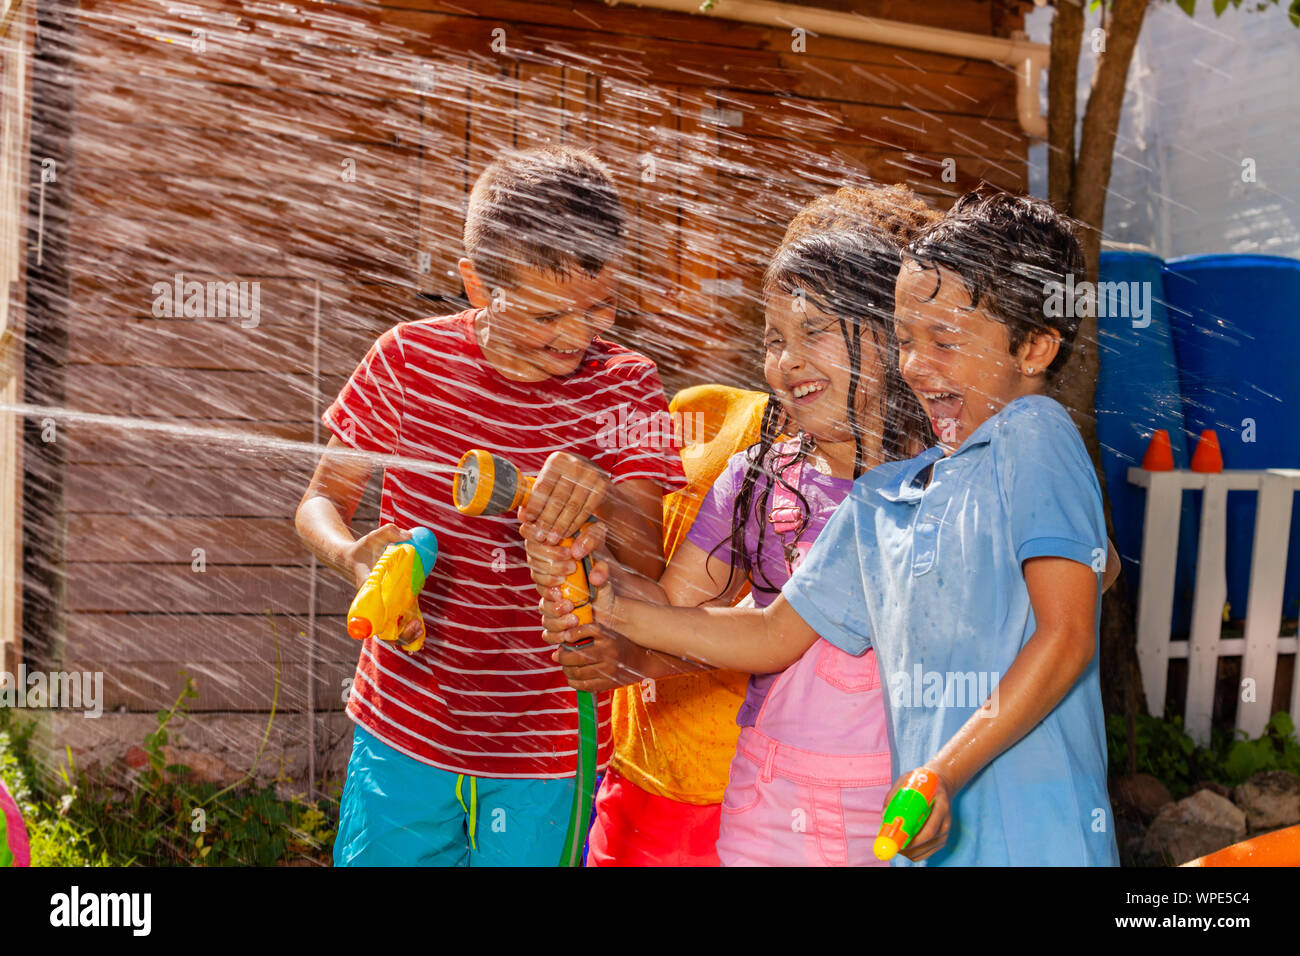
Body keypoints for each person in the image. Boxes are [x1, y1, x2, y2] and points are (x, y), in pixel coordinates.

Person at [544, 192, 1122, 866]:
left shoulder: (1028, 434)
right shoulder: (890, 497)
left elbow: (1069, 627)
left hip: (1013, 824)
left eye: (944, 340)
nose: (918, 363)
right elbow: (771, 634)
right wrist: (609, 603)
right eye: (909, 339)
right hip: (894, 821)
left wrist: (944, 772)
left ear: (1036, 347)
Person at [296, 146, 684, 866]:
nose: (575, 336)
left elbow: (646, 564)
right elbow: (321, 499)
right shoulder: (407, 361)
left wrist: (595, 496)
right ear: (478, 286)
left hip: (552, 749)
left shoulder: (627, 385)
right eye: (546, 314)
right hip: (404, 728)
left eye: (599, 307)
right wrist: (352, 554)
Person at [529, 225, 932, 865]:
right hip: (768, 798)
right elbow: (675, 608)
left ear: (887, 337)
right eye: (774, 341)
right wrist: (587, 562)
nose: (788, 360)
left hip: (901, 796)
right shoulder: (756, 479)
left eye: (814, 331)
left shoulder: (938, 480)